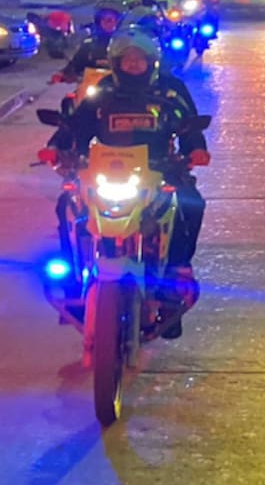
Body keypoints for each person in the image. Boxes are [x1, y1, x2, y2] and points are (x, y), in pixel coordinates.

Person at [47, 29, 209, 339]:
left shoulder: (171, 90)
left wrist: (196, 150)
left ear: (152, 61)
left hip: (160, 167)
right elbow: (78, 125)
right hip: (106, 168)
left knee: (191, 204)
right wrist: (58, 147)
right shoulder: (103, 89)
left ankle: (176, 270)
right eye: (127, 59)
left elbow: (189, 126)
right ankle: (71, 276)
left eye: (139, 59)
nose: (133, 64)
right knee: (67, 204)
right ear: (116, 62)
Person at [51, 0, 125, 85]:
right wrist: (63, 74)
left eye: (110, 20)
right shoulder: (89, 44)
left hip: (118, 87)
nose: (106, 22)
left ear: (117, 22)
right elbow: (76, 64)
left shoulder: (123, 44)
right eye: (102, 19)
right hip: (92, 86)